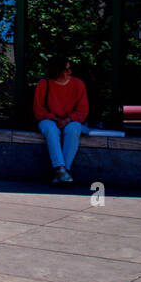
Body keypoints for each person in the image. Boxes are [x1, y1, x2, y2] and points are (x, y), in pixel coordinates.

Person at [34, 55, 87, 186]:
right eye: (66, 70)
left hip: (71, 120)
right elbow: (38, 109)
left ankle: (62, 171)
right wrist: (54, 118)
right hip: (50, 119)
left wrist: (68, 119)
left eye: (70, 69)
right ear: (57, 71)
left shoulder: (78, 84)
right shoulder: (44, 84)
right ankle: (61, 170)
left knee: (74, 129)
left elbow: (82, 110)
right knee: (50, 129)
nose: (70, 72)